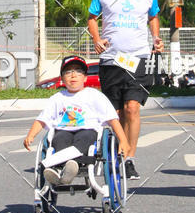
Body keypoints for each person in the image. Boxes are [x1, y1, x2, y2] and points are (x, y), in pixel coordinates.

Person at [87, 0, 163, 180]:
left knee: (132, 108)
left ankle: (129, 158)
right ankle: (117, 152)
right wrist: (97, 39)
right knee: (116, 112)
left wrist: (156, 38)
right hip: (112, 59)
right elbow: (92, 18)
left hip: (138, 57)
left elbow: (153, 17)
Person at [24, 55, 130, 185]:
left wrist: (123, 140)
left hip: (88, 130)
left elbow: (112, 119)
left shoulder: (94, 95)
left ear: (85, 77)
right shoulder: (57, 98)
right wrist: (31, 135)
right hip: (63, 130)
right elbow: (43, 119)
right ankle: (64, 168)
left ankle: (68, 164)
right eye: (68, 72)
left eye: (78, 71)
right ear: (62, 78)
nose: (73, 75)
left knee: (85, 137)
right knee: (59, 139)